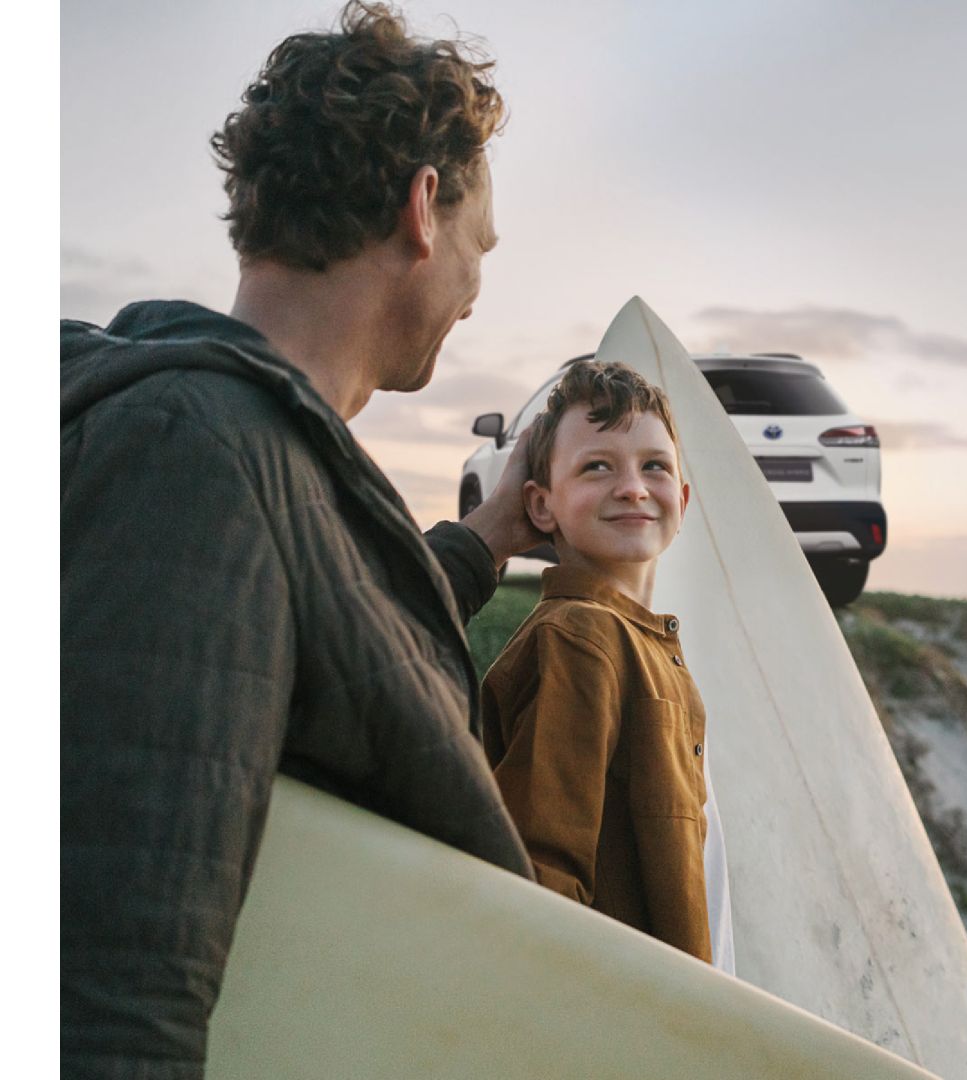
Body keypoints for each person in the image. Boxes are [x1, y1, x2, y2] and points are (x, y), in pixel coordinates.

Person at [60, 4, 539, 1077]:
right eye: (480, 246)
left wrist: (484, 537)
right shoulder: (190, 455)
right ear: (425, 208)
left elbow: (325, 631)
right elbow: (107, 992)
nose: (475, 288)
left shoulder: (237, 449)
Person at [481, 361, 729, 965]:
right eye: (597, 466)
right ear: (541, 506)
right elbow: (545, 882)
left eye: (655, 466)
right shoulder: (579, 638)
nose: (633, 488)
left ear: (684, 499)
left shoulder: (641, 642)